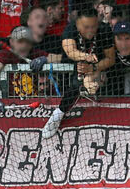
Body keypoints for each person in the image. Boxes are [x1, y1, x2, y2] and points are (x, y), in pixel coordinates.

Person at [44, 8, 116, 139]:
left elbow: (110, 59)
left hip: (99, 66)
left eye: (93, 26)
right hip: (75, 65)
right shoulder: (70, 29)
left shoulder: (104, 30)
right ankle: (58, 114)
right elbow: (70, 51)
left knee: (96, 81)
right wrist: (86, 57)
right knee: (77, 81)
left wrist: (93, 67)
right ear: (77, 24)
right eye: (86, 27)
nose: (90, 30)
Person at [0, 24, 50, 109]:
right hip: (12, 106)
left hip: (36, 106)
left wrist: (45, 59)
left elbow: (59, 57)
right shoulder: (5, 54)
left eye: (27, 41)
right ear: (11, 42)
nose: (24, 45)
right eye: (20, 41)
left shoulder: (36, 53)